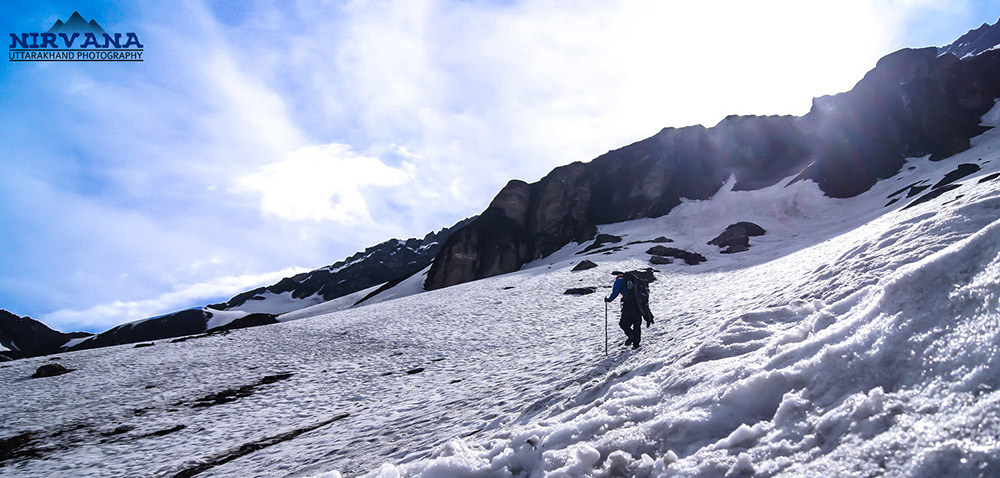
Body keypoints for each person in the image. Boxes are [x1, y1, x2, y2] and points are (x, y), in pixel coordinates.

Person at [605, 271, 643, 349]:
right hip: (639, 304)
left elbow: (615, 292)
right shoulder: (636, 281)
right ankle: (636, 344)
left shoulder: (619, 281)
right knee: (637, 324)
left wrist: (609, 300)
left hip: (628, 304)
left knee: (623, 323)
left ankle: (631, 335)